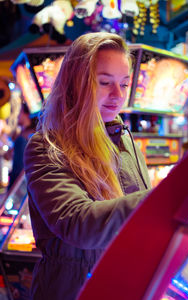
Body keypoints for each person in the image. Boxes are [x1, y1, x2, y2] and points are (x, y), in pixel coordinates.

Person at [24, 32, 151, 300]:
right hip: (72, 290)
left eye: (125, 84)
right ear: (75, 83)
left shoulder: (124, 137)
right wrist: (164, 198)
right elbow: (77, 223)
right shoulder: (46, 145)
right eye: (104, 82)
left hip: (123, 283)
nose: (118, 95)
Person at [7, 102, 37, 190]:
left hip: (20, 187)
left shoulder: (22, 139)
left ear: (27, 114)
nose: (18, 115)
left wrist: (10, 190)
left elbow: (18, 169)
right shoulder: (33, 134)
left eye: (20, 112)